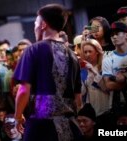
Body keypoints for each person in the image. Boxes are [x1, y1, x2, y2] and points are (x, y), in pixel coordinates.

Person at [13, 4, 82, 141]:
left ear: (43, 24)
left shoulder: (32, 50)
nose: (35, 27)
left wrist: (18, 116)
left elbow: (23, 90)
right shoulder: (72, 55)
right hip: (70, 127)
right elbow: (78, 98)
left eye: (36, 23)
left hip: (41, 127)